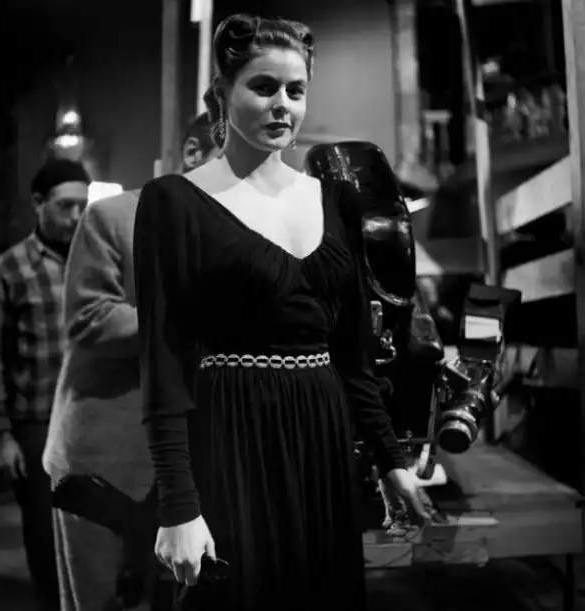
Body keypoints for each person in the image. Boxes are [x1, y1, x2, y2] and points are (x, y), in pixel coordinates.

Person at [133, 14, 429, 611]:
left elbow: (353, 357)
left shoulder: (334, 199)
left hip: (321, 434)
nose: (282, 105)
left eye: (296, 91)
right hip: (231, 434)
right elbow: (163, 365)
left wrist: (391, 461)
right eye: (263, 87)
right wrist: (178, 504)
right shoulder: (175, 201)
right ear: (223, 94)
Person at [42, 113, 217, 611]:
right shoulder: (114, 215)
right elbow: (89, 320)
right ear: (193, 153)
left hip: (189, 464)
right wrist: (196, 322)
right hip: (104, 465)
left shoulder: (237, 229)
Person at [0, 158, 90, 611]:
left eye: (83, 206)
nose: (75, 217)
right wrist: (2, 434)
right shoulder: (8, 269)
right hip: (35, 421)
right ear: (38, 204)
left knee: (91, 528)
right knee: (44, 535)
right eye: (65, 206)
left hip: (89, 415)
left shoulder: (97, 260)